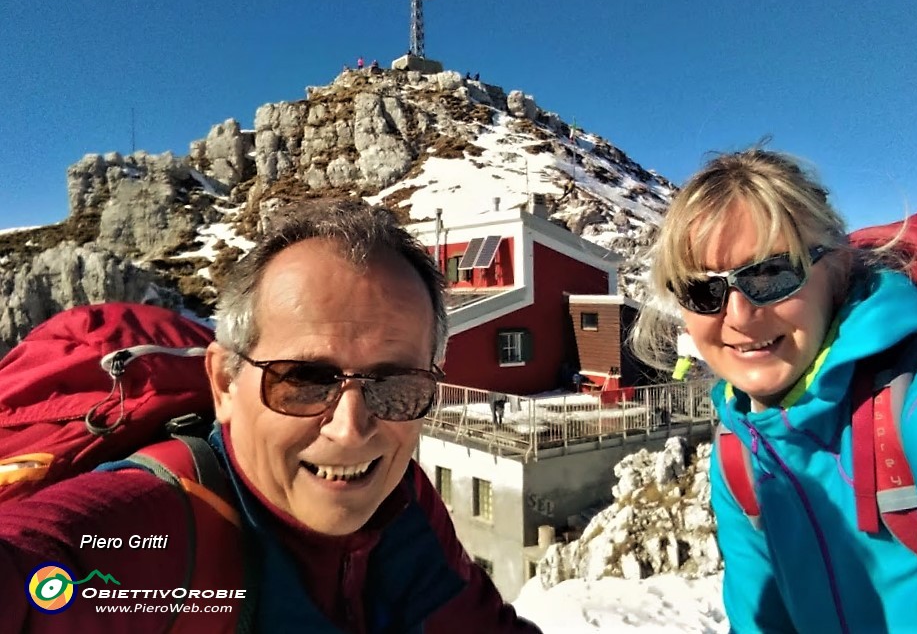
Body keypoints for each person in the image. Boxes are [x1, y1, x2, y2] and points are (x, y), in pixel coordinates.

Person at [0, 199, 541, 633]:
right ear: (224, 383)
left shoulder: (404, 501)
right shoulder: (158, 526)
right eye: (304, 379)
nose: (351, 428)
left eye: (395, 382)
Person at [631, 147, 917, 632]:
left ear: (839, 268)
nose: (739, 316)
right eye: (703, 290)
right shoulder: (738, 457)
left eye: (771, 273)